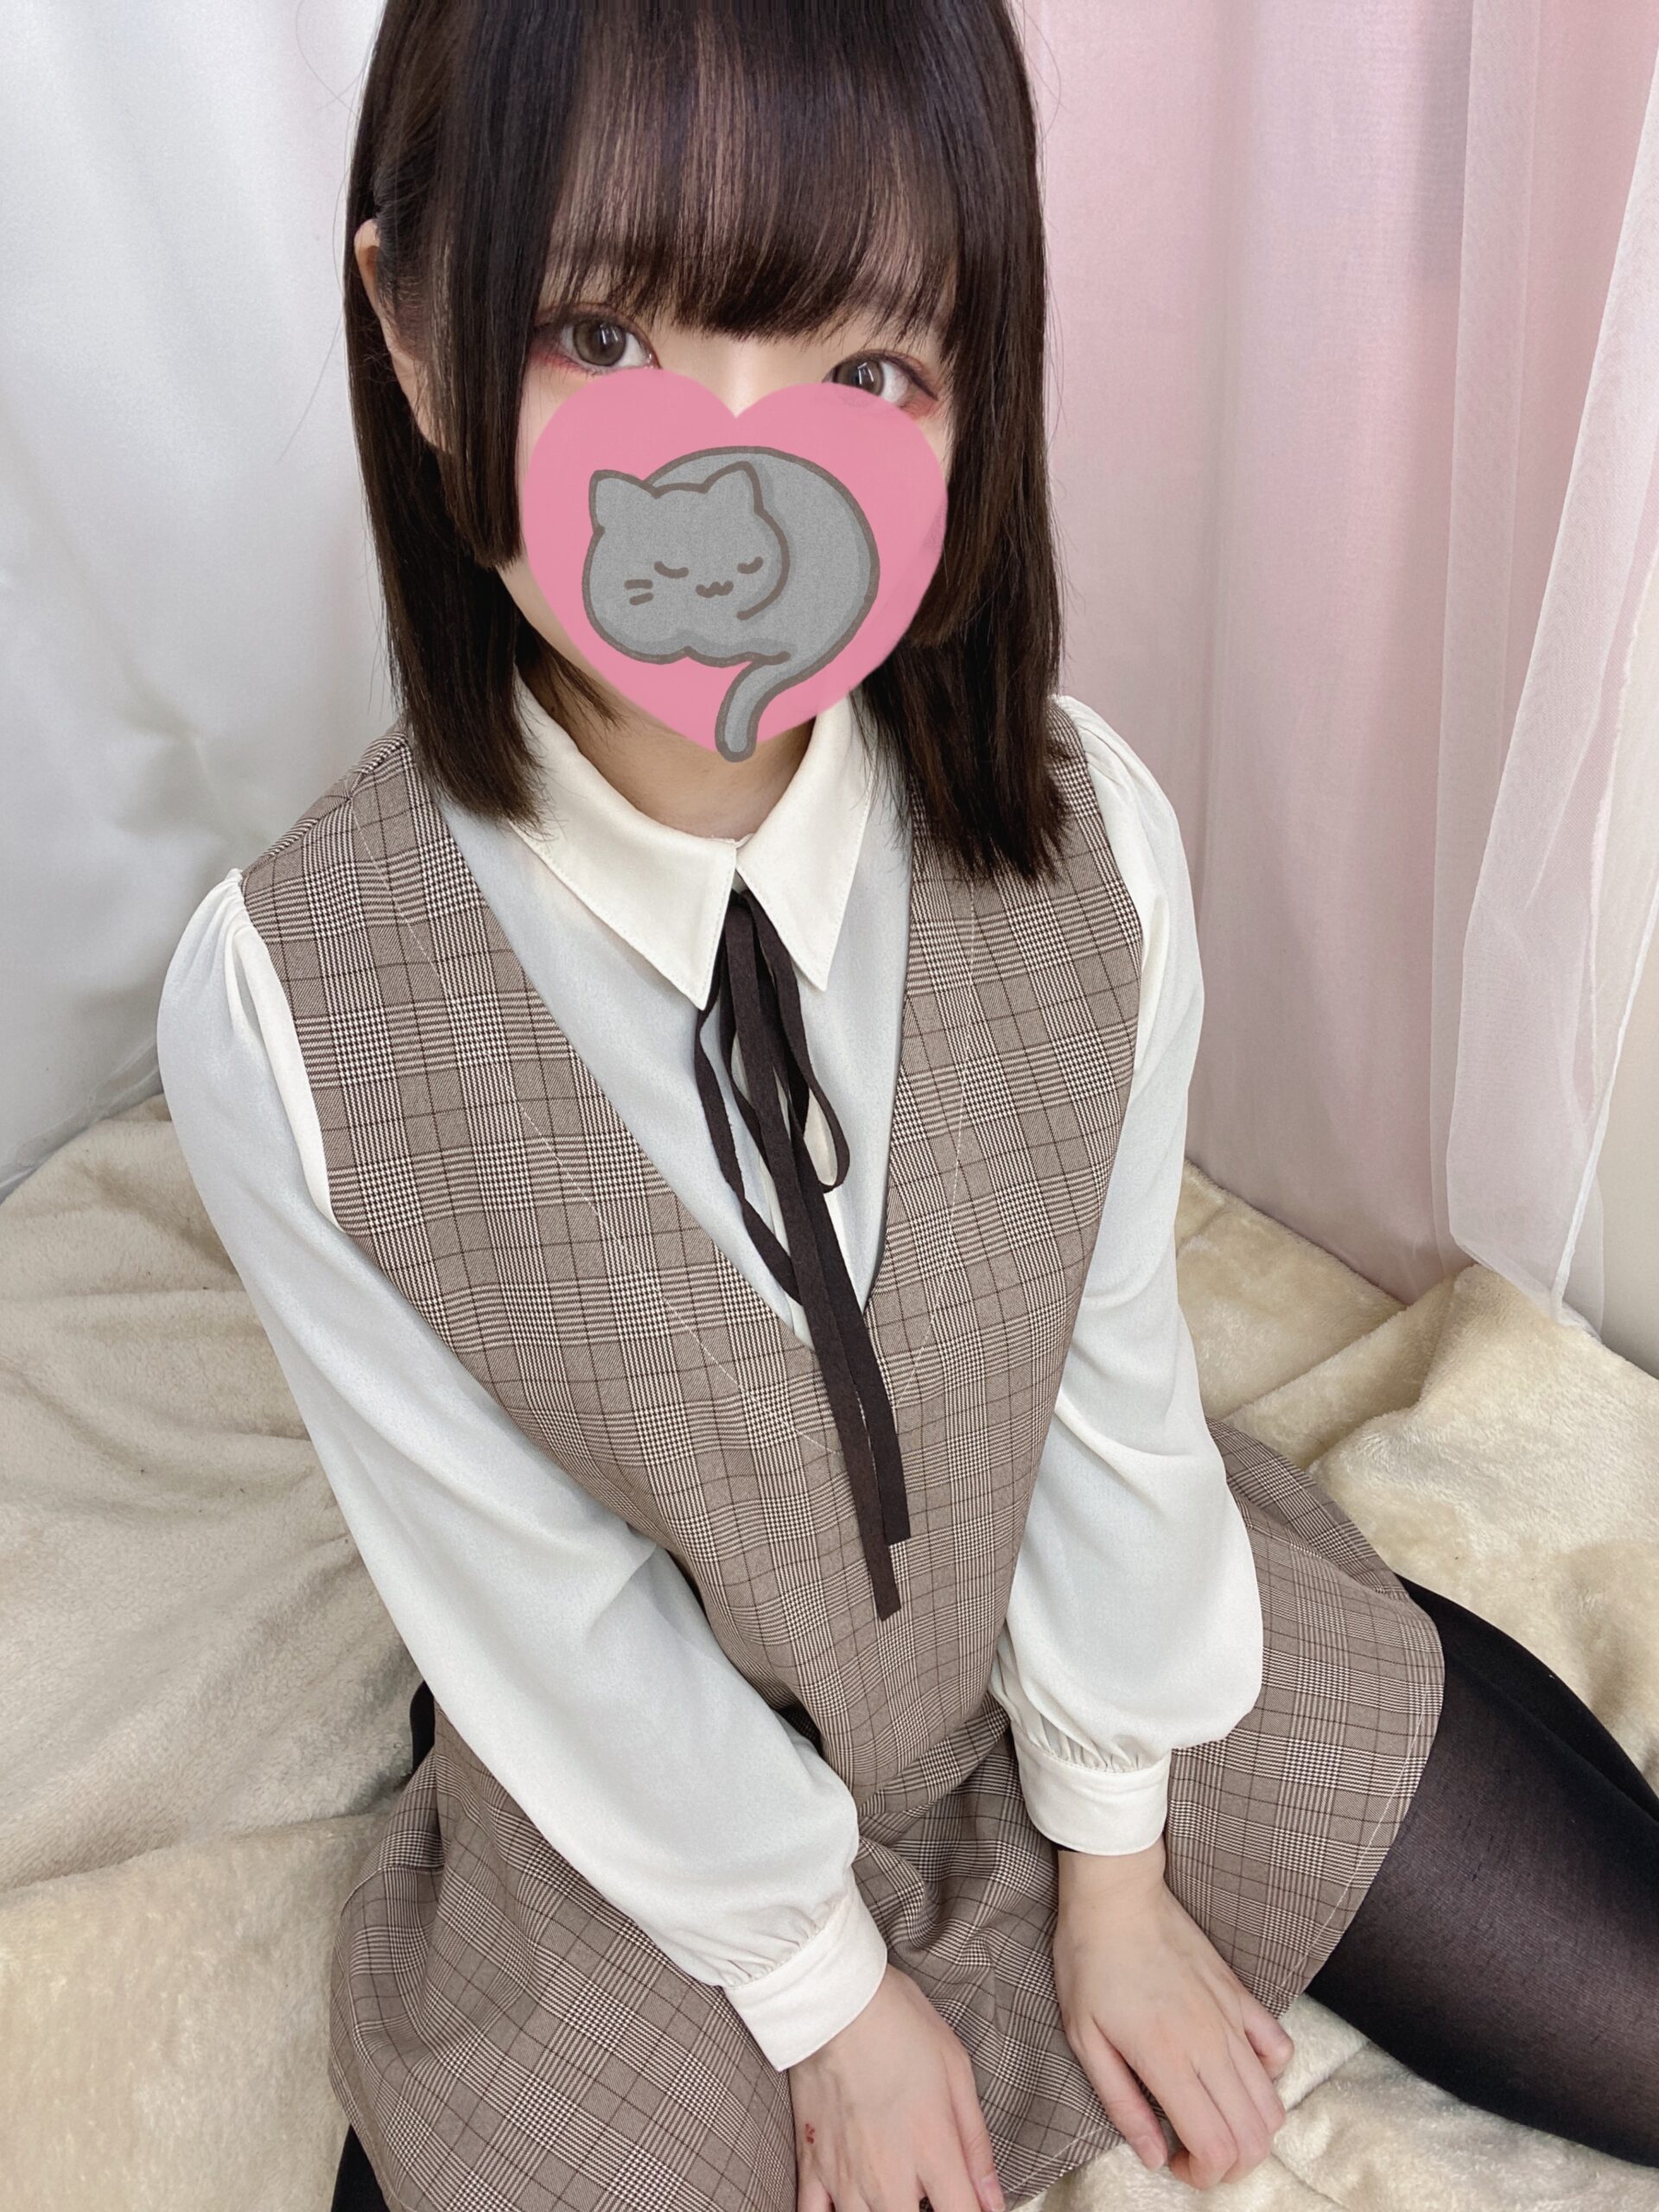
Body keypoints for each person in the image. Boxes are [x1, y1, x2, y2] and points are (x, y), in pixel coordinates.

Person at [156, 3, 1659, 2206]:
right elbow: (533, 1597)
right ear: (408, 323)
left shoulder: (1088, 845)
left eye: (863, 368)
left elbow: (1108, 1386)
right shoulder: (288, 1010)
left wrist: (1116, 1862)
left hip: (1067, 1605)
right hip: (652, 1792)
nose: (735, 484)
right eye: (600, 331)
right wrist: (823, 1989)